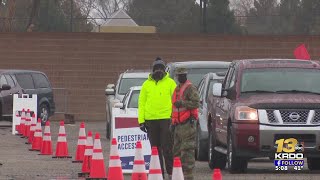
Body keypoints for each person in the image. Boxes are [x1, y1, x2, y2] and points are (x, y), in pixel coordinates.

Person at [138, 57, 177, 178]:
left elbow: (176, 101)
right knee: (155, 150)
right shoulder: (146, 84)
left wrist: (174, 118)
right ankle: (159, 173)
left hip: (166, 119)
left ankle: (171, 173)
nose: (159, 71)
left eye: (161, 68)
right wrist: (141, 121)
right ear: (153, 70)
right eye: (156, 68)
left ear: (164, 70)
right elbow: (141, 103)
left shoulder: (171, 83)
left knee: (167, 148)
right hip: (150, 121)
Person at [171, 67, 200, 180]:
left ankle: (188, 177)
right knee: (176, 153)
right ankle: (178, 176)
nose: (180, 77)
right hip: (178, 125)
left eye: (182, 75)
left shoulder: (190, 88)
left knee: (187, 153)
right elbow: (173, 108)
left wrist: (182, 103)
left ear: (186, 75)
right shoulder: (177, 89)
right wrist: (172, 122)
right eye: (179, 75)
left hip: (188, 124)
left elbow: (196, 103)